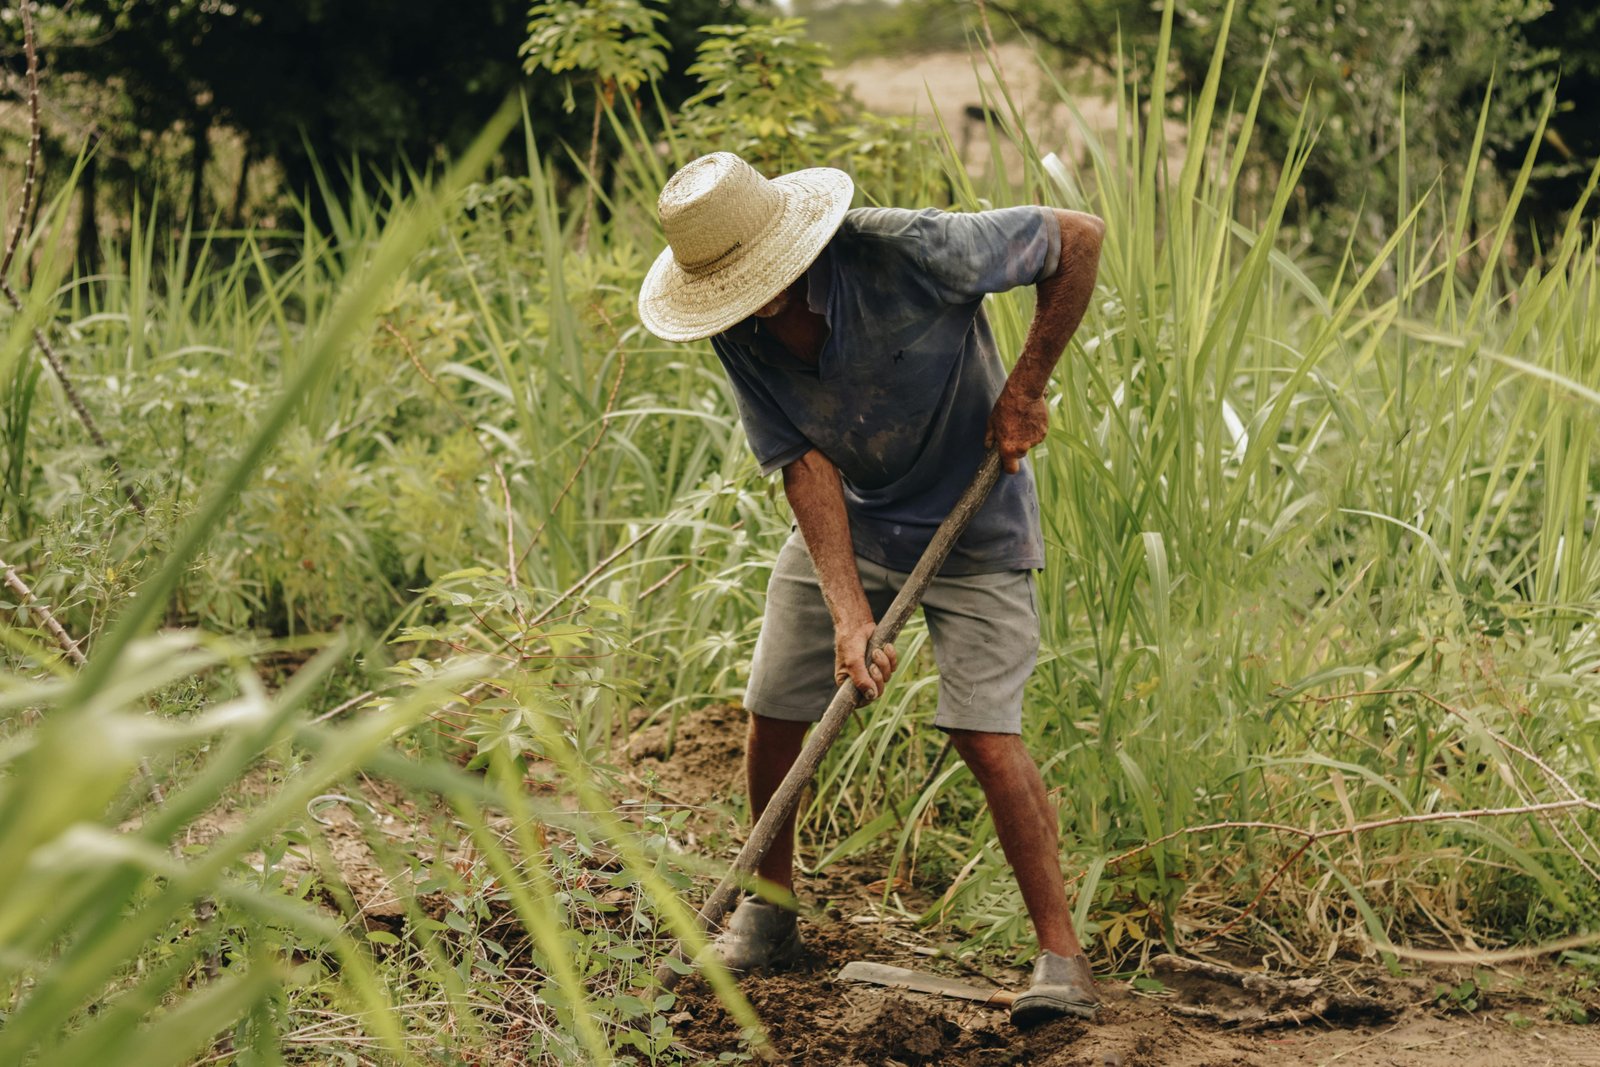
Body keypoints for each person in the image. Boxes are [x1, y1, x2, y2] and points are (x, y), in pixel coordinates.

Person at [636, 152, 1105, 1026]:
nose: (755, 302)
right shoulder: (736, 331)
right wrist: (850, 612)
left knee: (985, 733)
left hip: (978, 518)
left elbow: (1077, 239)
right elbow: (803, 465)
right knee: (776, 701)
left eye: (760, 278)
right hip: (853, 520)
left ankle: (1062, 961)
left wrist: (1026, 385)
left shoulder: (907, 250)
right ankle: (768, 909)